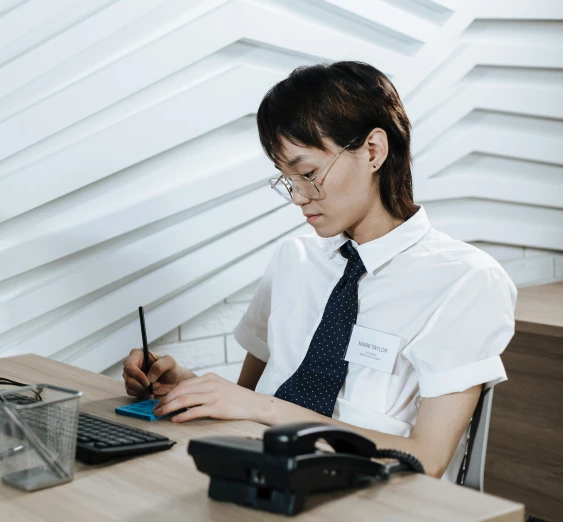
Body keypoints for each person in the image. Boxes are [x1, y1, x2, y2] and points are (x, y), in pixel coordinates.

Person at [121, 61, 517, 480]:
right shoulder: (294, 259)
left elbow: (428, 458)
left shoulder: (466, 281)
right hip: (267, 479)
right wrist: (190, 388)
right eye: (287, 180)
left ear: (373, 151)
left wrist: (261, 407)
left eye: (308, 173)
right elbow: (252, 402)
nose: (298, 197)